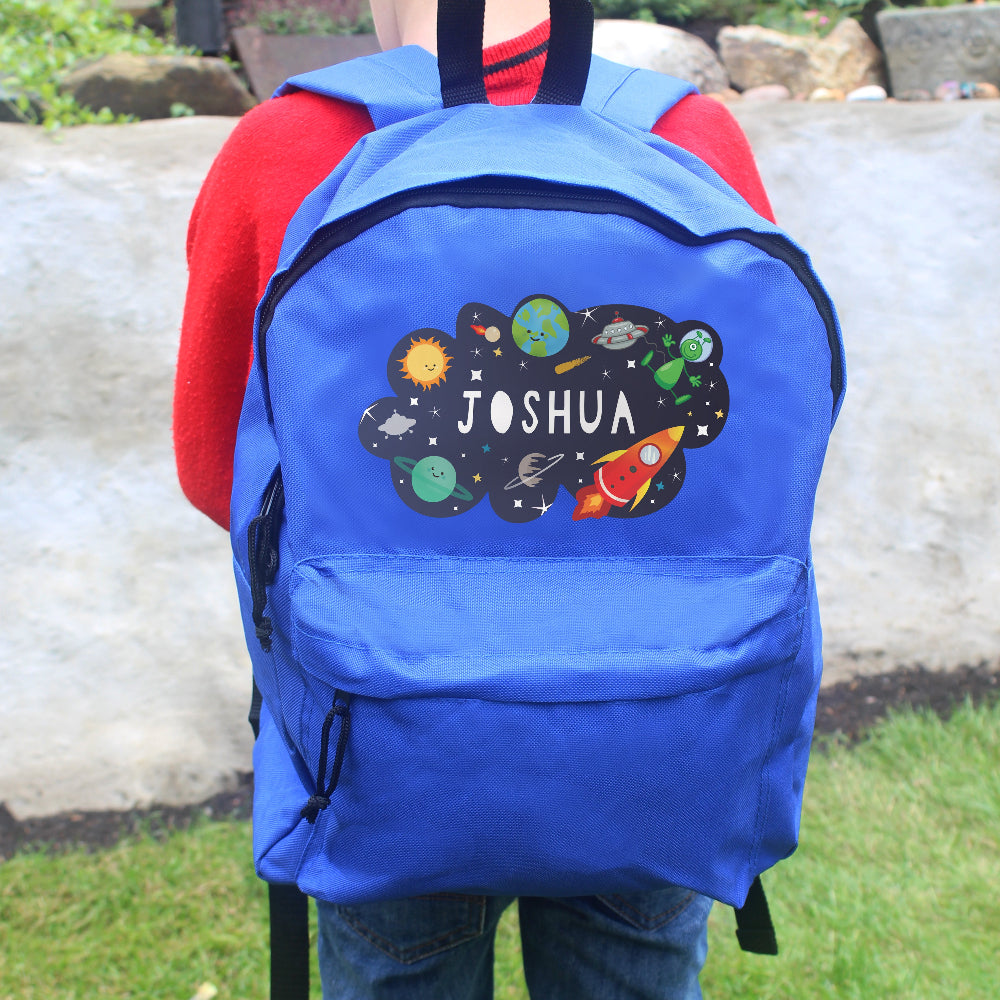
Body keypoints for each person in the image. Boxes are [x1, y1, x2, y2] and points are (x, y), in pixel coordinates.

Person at [174, 2, 776, 996]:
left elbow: (216, 473)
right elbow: (750, 465)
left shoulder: (288, 145)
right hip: (653, 723)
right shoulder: (684, 137)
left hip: (384, 728)